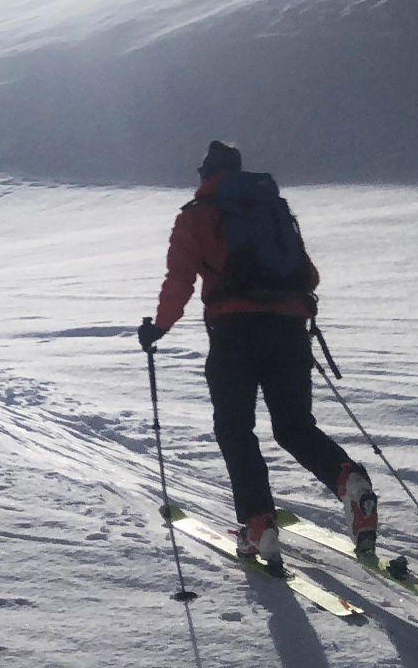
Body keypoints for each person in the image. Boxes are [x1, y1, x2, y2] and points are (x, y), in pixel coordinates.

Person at [139, 140, 378, 562]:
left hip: (234, 333)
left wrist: (158, 327)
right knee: (294, 426)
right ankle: (350, 482)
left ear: (205, 174)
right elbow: (309, 274)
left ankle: (257, 525)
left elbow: (179, 279)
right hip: (288, 329)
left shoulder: (197, 214)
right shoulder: (274, 209)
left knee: (235, 429)